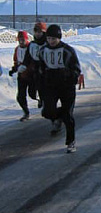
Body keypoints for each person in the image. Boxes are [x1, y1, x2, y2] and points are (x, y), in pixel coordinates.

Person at [38, 24, 81, 153]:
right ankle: (58, 118)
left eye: (53, 39)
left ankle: (70, 141)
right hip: (50, 85)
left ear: (59, 38)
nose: (51, 41)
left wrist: (69, 76)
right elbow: (40, 68)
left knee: (68, 115)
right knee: (47, 112)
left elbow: (76, 69)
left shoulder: (68, 50)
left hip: (66, 86)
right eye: (49, 38)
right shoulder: (43, 51)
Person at [22, 22, 47, 111]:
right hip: (35, 70)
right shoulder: (32, 45)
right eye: (36, 31)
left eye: (40, 31)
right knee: (33, 91)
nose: (37, 33)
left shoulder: (48, 44)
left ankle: (46, 102)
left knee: (45, 89)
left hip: (47, 70)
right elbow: (27, 57)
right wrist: (24, 65)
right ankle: (40, 99)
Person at [9, 31, 32, 121]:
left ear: (27, 39)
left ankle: (40, 100)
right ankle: (26, 113)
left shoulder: (31, 48)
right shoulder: (17, 49)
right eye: (20, 39)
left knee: (32, 93)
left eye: (23, 39)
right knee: (20, 97)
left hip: (31, 75)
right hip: (22, 76)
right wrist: (14, 69)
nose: (21, 41)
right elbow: (16, 61)